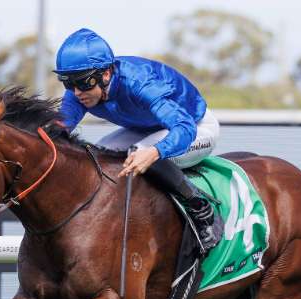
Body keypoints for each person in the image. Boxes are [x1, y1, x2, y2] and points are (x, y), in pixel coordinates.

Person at [54, 28, 223, 253]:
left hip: (195, 127)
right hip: (146, 129)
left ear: (106, 74)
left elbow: (183, 127)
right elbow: (57, 129)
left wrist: (155, 152)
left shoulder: (139, 83)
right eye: (68, 83)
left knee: (142, 154)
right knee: (97, 155)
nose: (76, 92)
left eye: (83, 83)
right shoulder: (80, 91)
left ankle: (201, 208)